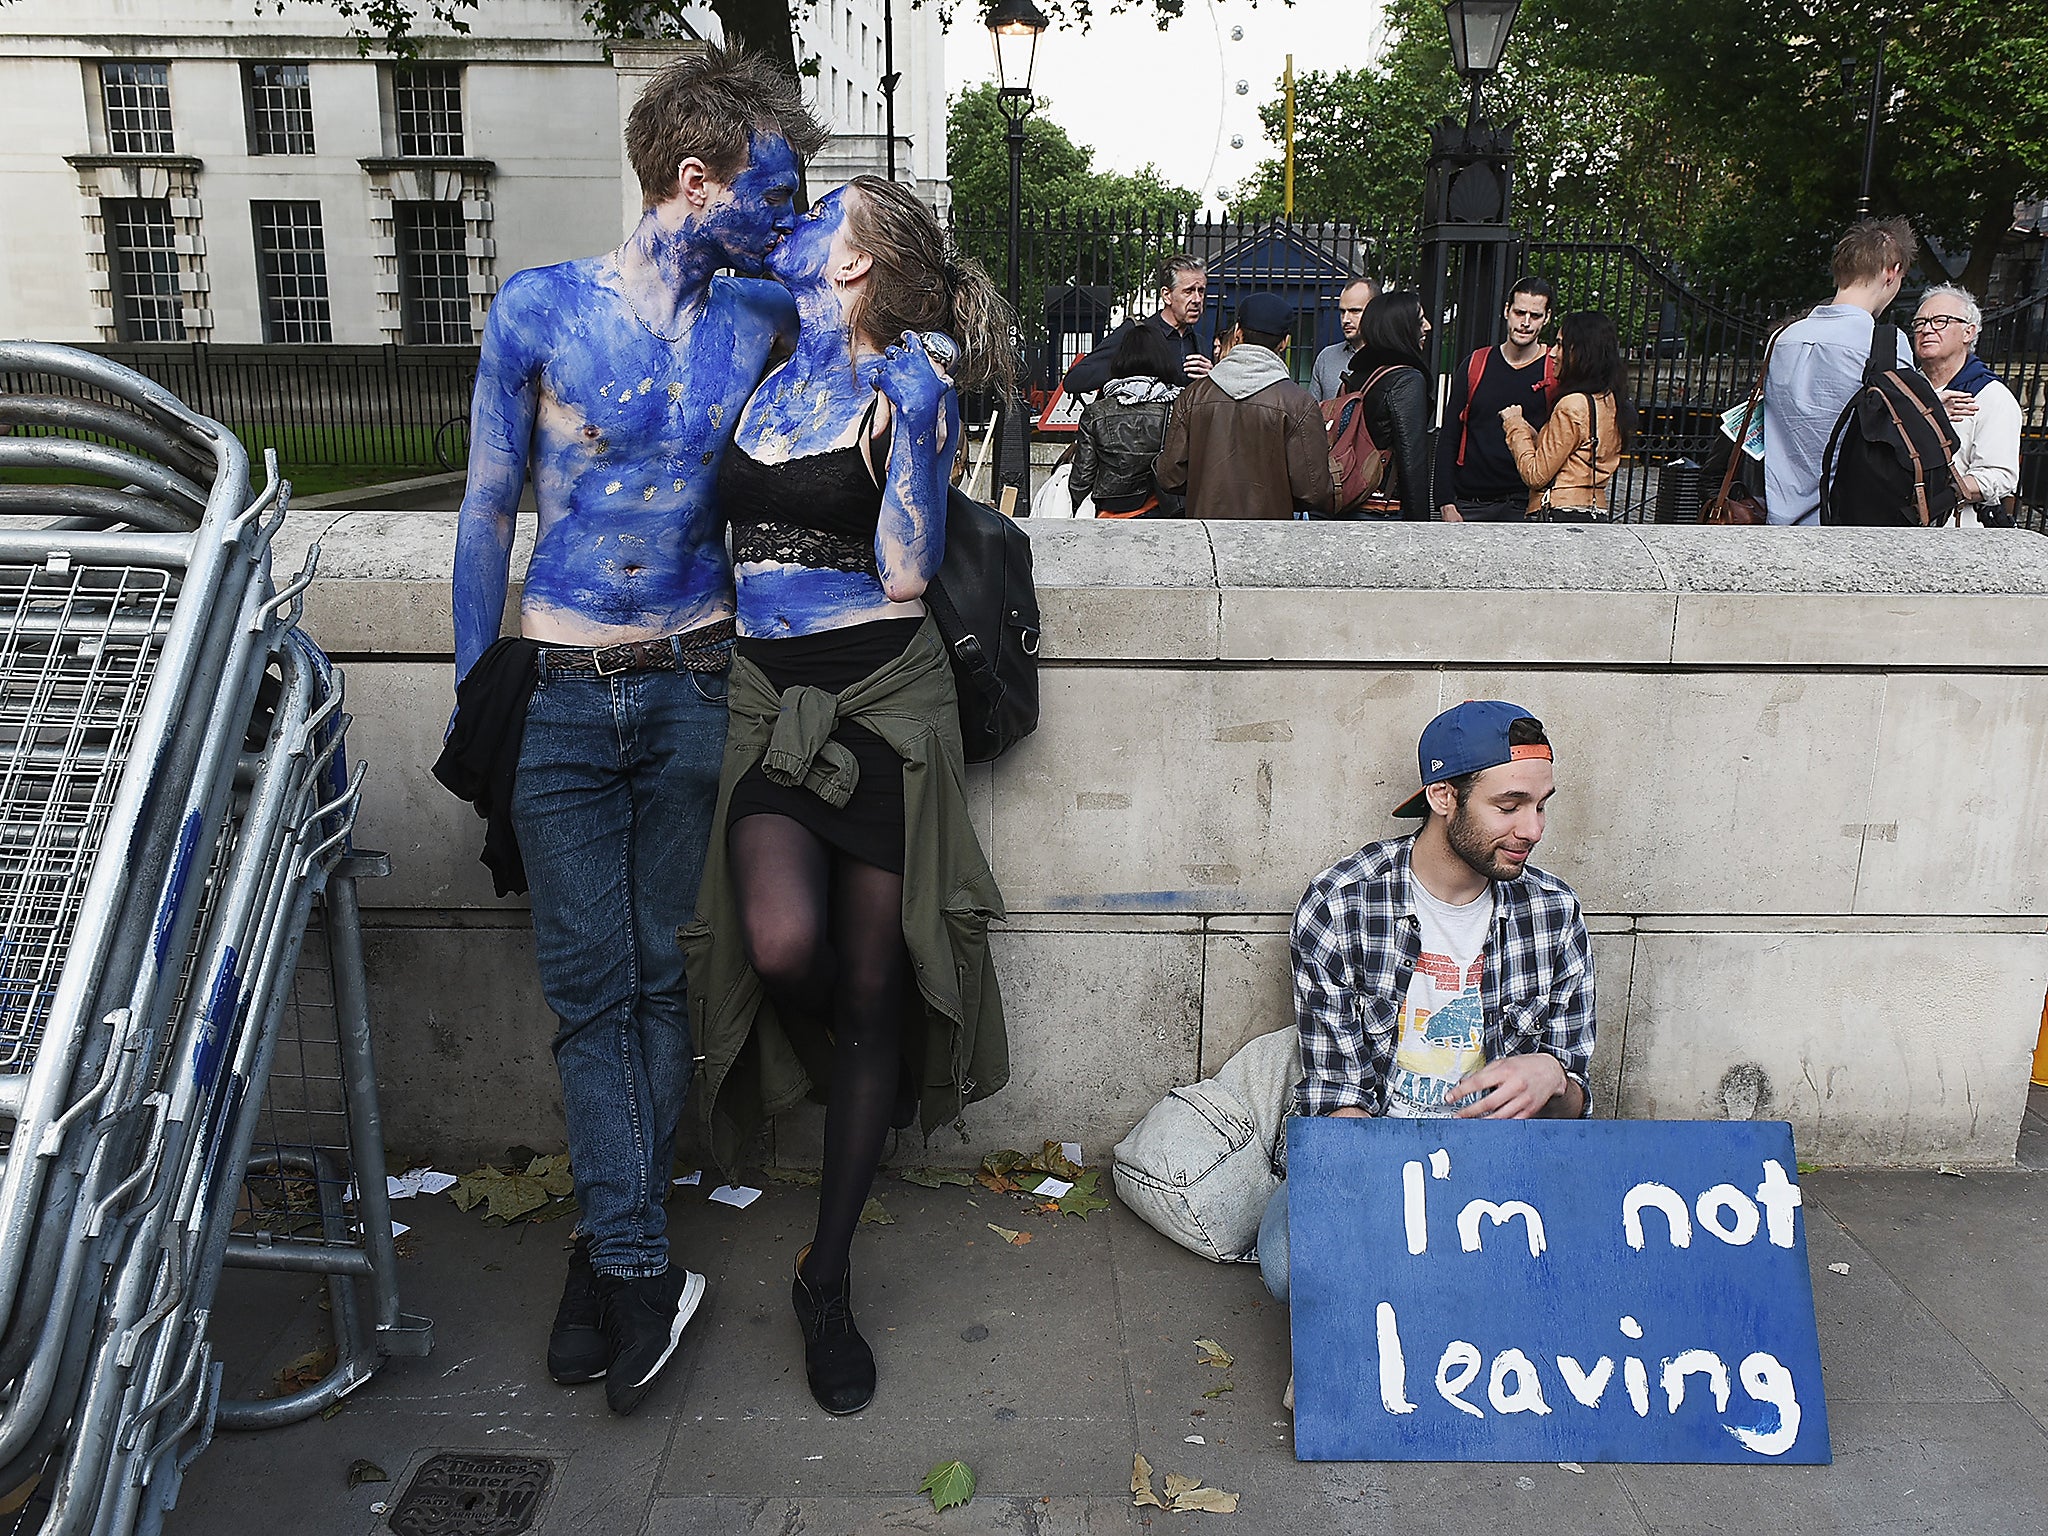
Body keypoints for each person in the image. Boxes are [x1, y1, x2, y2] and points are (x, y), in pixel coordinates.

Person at [440, 46, 825, 1417]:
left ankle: (613, 1255)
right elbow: (486, 512)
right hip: (554, 688)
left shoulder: (764, 315)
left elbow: (909, 332)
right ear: (695, 177)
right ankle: (639, 1261)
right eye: (776, 194)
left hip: (692, 681)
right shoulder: (538, 311)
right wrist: (476, 694)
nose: (790, 220)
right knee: (589, 992)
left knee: (659, 978)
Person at [683, 176, 1013, 1417]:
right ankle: (860, 1074)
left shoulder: (902, 389)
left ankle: (826, 1274)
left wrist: (919, 430)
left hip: (880, 697)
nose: (795, 224)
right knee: (778, 945)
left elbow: (907, 569)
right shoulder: (770, 379)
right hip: (770, 697)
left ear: (857, 265)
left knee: (873, 981)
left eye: (819, 217)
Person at [1258, 700, 1596, 1302]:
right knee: (1292, 1264)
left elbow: (1569, 1112)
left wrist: (1552, 1076)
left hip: (1502, 1169)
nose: (1533, 830)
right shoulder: (1342, 904)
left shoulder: (1553, 913)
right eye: (1509, 805)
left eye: (1541, 805)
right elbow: (1338, 1101)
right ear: (1444, 797)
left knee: (1591, 1259)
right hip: (1376, 1157)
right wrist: (1389, 1207)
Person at [1763, 217, 1918, 526]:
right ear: (1893, 271)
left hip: (1775, 519)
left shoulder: (1782, 338)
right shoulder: (1886, 344)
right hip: (1845, 525)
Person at [1153, 291, 1333, 520]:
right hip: (1271, 538)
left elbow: (1170, 476)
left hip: (1206, 533)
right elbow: (1314, 491)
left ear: (1237, 333)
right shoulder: (1299, 403)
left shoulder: (1194, 395)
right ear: (1285, 342)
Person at [1438, 277, 1559, 521]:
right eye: (1519, 312)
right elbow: (1449, 434)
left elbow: (1559, 442)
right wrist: (1445, 502)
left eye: (1534, 316)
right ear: (1506, 311)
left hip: (1527, 505)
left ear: (1546, 318)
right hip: (1470, 503)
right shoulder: (1475, 364)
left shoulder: (1553, 369)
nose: (1525, 322)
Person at [1501, 310, 1630, 521]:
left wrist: (1514, 424)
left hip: (1559, 511)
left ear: (1581, 352)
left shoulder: (1572, 404)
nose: (1552, 353)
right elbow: (1579, 456)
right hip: (1594, 510)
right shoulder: (1609, 401)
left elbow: (1535, 475)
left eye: (1561, 345)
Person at [1911, 284, 2021, 527]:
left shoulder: (1990, 396)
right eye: (1920, 323)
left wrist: (1937, 493)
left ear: (1968, 332)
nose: (1927, 329)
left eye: (1941, 321)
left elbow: (2000, 475)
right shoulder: (1904, 391)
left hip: (1959, 531)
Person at [1071, 322, 1185, 517]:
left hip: (1111, 512)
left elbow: (1081, 478)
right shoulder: (1177, 406)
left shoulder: (1096, 412)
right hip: (1162, 513)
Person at [1338, 291, 1432, 521]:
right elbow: (1413, 461)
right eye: (1420, 320)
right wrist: (1423, 528)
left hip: (1349, 500)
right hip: (1384, 510)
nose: (1427, 327)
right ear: (1402, 327)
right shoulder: (1406, 380)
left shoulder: (1358, 375)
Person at [1061, 255, 1212, 396]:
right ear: (1167, 295)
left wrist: (1211, 380)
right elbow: (1074, 380)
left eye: (1201, 291)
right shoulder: (1135, 333)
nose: (1197, 299)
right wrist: (1131, 367)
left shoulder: (1199, 343)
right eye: (1189, 291)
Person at [1310, 277, 1381, 403]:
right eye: (1342, 312)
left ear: (1375, 310)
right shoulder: (1326, 357)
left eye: (1355, 311)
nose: (1346, 319)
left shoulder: (1389, 357)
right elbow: (1313, 412)